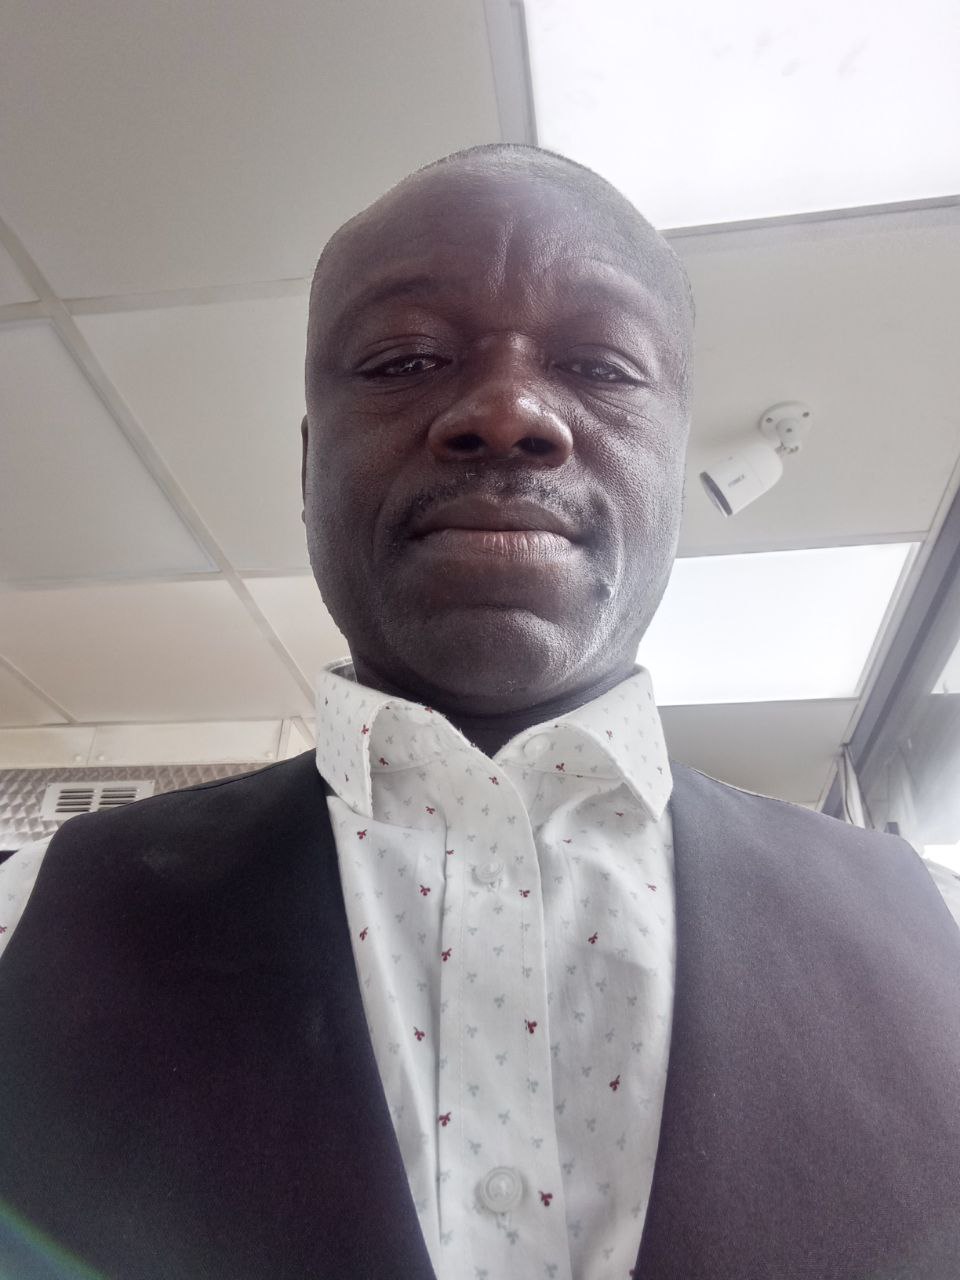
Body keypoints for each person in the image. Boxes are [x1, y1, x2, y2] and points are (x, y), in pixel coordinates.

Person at [1, 143, 959, 1280]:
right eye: (405, 357)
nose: (507, 411)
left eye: (599, 365)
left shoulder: (940, 935)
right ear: (308, 470)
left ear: (672, 465)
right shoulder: (26, 921)